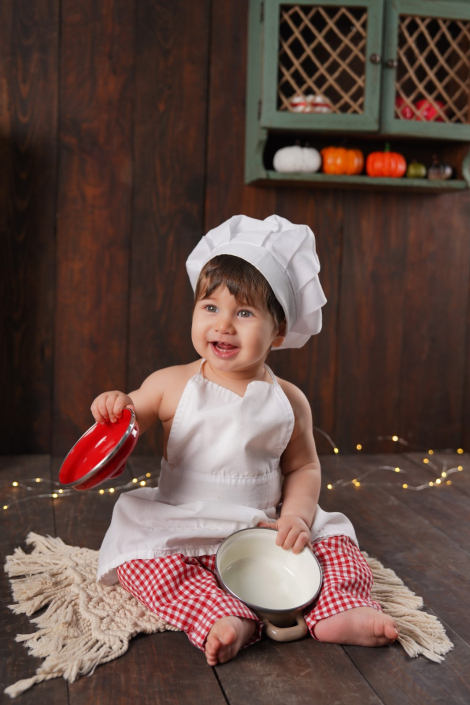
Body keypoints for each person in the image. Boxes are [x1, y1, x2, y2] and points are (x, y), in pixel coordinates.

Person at [94, 214, 398, 666]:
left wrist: (295, 515)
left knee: (336, 543)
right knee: (139, 557)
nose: (224, 325)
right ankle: (224, 615)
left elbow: (303, 467)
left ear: (278, 331)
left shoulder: (288, 400)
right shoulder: (170, 383)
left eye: (244, 312)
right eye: (210, 307)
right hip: (185, 523)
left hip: (263, 527)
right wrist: (117, 405)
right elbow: (130, 416)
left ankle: (340, 606)